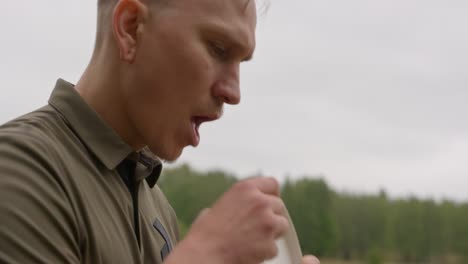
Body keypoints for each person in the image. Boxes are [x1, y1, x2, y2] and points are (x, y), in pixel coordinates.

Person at [0, 0, 320, 263]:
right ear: (130, 29)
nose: (234, 93)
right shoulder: (18, 170)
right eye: (219, 49)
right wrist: (206, 253)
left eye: (242, 62)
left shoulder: (157, 208)